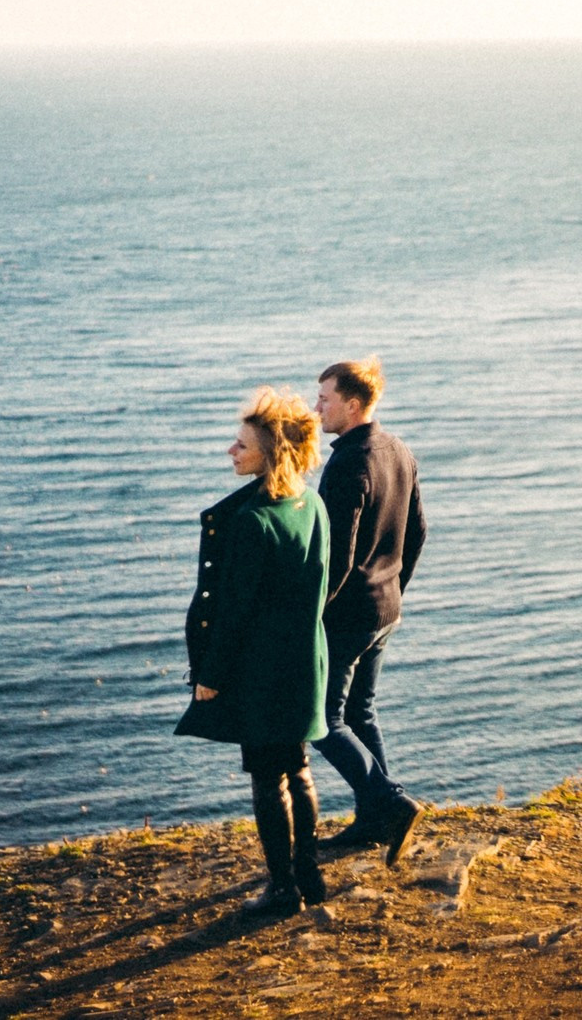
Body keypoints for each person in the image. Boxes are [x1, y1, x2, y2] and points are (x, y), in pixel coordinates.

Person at [175, 387, 332, 916]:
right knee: (299, 767)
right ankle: (310, 876)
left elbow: (233, 612)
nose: (230, 451)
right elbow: (324, 580)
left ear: (271, 454)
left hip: (262, 671)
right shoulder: (309, 502)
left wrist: (211, 675)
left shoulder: (252, 521)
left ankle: (283, 888)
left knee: (267, 778)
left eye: (241, 444)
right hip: (304, 660)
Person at [311, 357, 427, 865]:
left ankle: (392, 802)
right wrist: (394, 585)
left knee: (321, 719)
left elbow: (337, 552)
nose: (317, 410)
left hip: (350, 612)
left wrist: (313, 612)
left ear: (352, 405)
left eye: (324, 400)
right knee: (360, 711)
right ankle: (374, 819)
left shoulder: (349, 462)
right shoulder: (398, 449)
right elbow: (418, 530)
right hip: (386, 607)